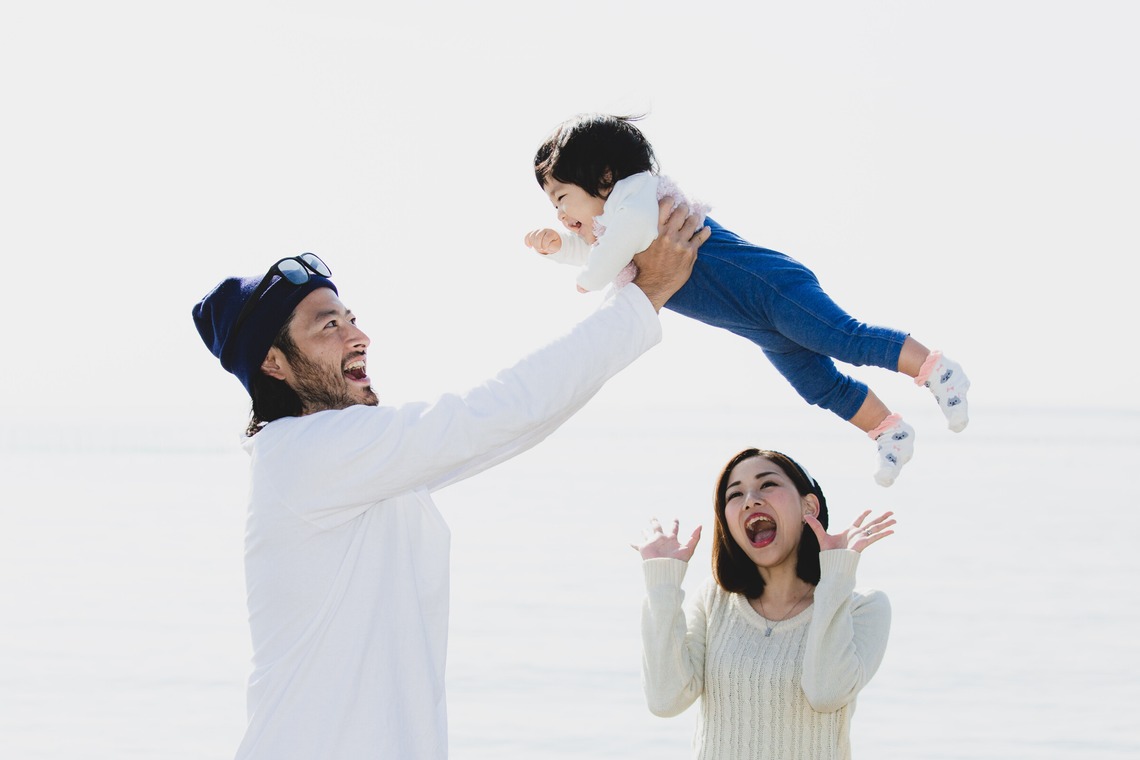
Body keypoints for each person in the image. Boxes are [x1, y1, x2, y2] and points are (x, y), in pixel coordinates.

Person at [190, 202, 709, 760]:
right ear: (273, 363)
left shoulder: (345, 463)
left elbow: (514, 424)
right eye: (329, 325)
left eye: (351, 318)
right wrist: (641, 298)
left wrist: (634, 297)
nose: (359, 336)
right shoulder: (306, 453)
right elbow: (494, 414)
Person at [524, 113, 971, 486]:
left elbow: (612, 251)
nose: (560, 214)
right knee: (818, 386)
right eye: (553, 208)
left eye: (562, 198)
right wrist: (560, 248)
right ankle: (889, 432)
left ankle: (937, 369)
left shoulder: (637, 195)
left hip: (772, 289)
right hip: (757, 325)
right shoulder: (615, 227)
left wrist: (588, 276)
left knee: (846, 339)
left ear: (604, 177)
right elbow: (604, 250)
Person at [633, 448, 893, 760]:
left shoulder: (863, 607)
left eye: (767, 484)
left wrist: (836, 574)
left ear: (809, 507)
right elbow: (665, 700)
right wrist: (663, 583)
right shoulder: (714, 599)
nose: (750, 500)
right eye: (735, 494)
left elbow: (826, 694)